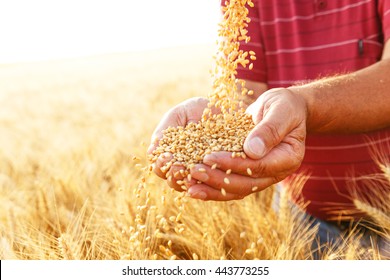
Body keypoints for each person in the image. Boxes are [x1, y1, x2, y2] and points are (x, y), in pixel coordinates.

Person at [148, 0, 390, 257]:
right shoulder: (241, 3)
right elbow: (245, 96)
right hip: (300, 216)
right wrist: (224, 123)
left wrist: (304, 104)